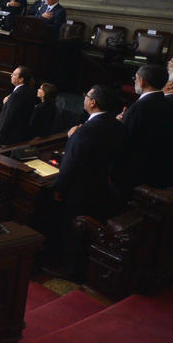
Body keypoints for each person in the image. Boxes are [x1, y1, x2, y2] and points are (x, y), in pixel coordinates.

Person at [51, 85, 126, 278]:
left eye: (86, 96)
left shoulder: (85, 131)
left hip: (78, 191)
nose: (84, 98)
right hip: (102, 187)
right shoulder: (117, 125)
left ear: (93, 102)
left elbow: (71, 164)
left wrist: (58, 189)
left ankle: (70, 271)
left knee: (72, 231)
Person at [117, 64, 173, 191]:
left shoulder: (139, 108)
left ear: (142, 81)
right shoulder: (168, 103)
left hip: (134, 172)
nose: (135, 82)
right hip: (158, 168)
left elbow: (126, 140)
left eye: (135, 79)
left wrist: (119, 124)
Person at [0, 66, 34, 146]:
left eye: (14, 74)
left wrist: (0, 136)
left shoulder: (17, 94)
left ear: (21, 79)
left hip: (11, 137)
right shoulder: (28, 90)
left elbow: (9, 117)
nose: (11, 75)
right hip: (21, 135)